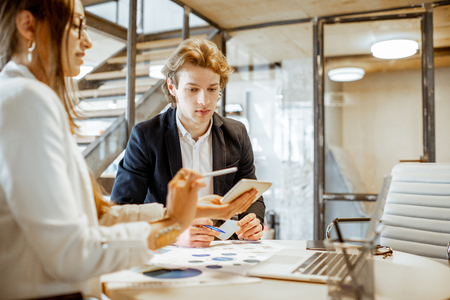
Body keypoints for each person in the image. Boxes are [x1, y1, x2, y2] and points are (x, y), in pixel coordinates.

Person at [0, 1, 257, 299]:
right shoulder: (26, 100)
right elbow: (72, 252)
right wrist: (172, 228)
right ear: (28, 26)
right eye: (77, 25)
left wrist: (186, 212)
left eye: (213, 89)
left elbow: (97, 217)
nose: (88, 41)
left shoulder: (26, 97)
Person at [111, 38, 266, 247]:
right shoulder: (146, 136)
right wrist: (174, 234)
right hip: (168, 254)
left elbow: (252, 195)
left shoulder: (236, 133)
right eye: (192, 89)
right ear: (172, 87)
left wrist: (253, 221)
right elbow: (122, 209)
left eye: (212, 89)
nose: (204, 101)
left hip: (221, 252)